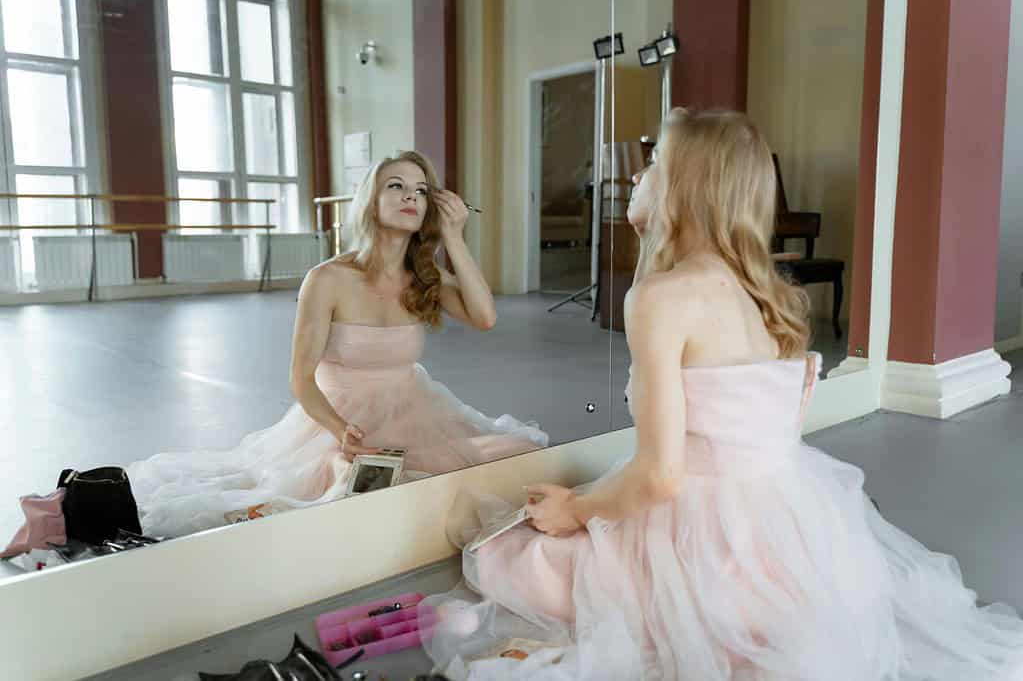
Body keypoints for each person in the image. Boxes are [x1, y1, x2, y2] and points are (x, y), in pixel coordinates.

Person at [423, 110, 1023, 680]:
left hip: (699, 531)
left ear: (685, 188)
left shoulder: (663, 299)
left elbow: (660, 478)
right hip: (785, 531)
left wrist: (576, 511)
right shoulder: (767, 295)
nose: (637, 172)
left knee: (511, 557)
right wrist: (646, 234)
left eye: (654, 162)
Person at [128, 151, 548, 538]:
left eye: (420, 190)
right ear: (369, 199)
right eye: (396, 185)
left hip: (414, 410)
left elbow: (485, 317)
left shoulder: (424, 277)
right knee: (344, 496)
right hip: (340, 421)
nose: (411, 197)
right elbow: (301, 378)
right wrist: (338, 431)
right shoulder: (327, 279)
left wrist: (454, 238)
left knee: (519, 453)